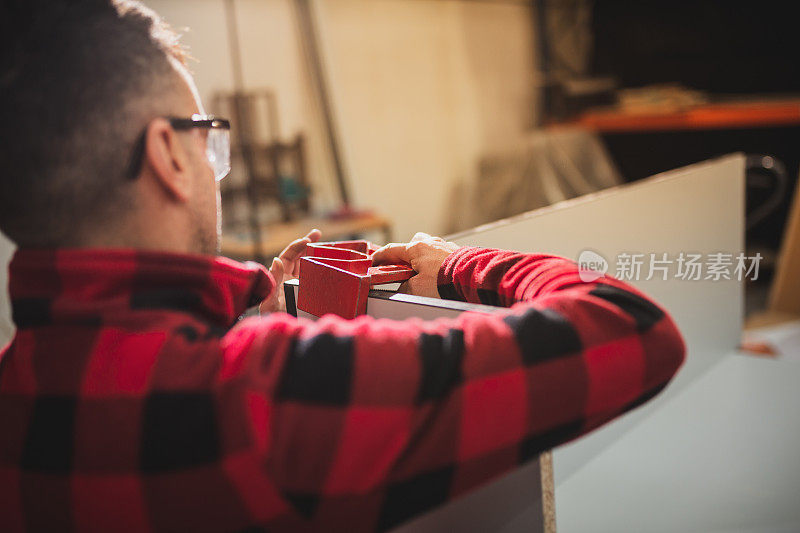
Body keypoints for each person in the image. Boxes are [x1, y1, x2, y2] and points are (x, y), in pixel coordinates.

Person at [0, 1, 685, 531]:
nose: (214, 168)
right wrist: (456, 266)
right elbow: (632, 328)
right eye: (207, 139)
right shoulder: (269, 395)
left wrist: (249, 317)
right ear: (168, 156)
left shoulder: (20, 383)